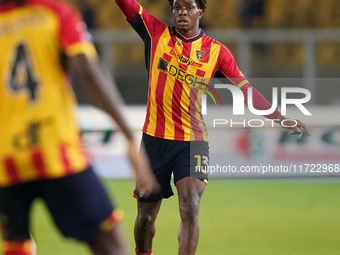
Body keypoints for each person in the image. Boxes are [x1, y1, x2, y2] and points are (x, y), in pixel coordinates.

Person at [114, 0, 311, 254]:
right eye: (176, 7)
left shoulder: (217, 52)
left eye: (188, 6)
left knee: (190, 205)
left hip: (192, 140)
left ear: (200, 12)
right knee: (145, 219)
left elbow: (246, 90)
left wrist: (279, 117)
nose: (182, 11)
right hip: (155, 140)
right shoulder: (155, 33)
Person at [0, 0, 158, 255]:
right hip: (56, 154)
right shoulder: (55, 13)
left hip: (5, 161)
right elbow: (88, 70)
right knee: (111, 244)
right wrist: (129, 137)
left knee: (17, 244)